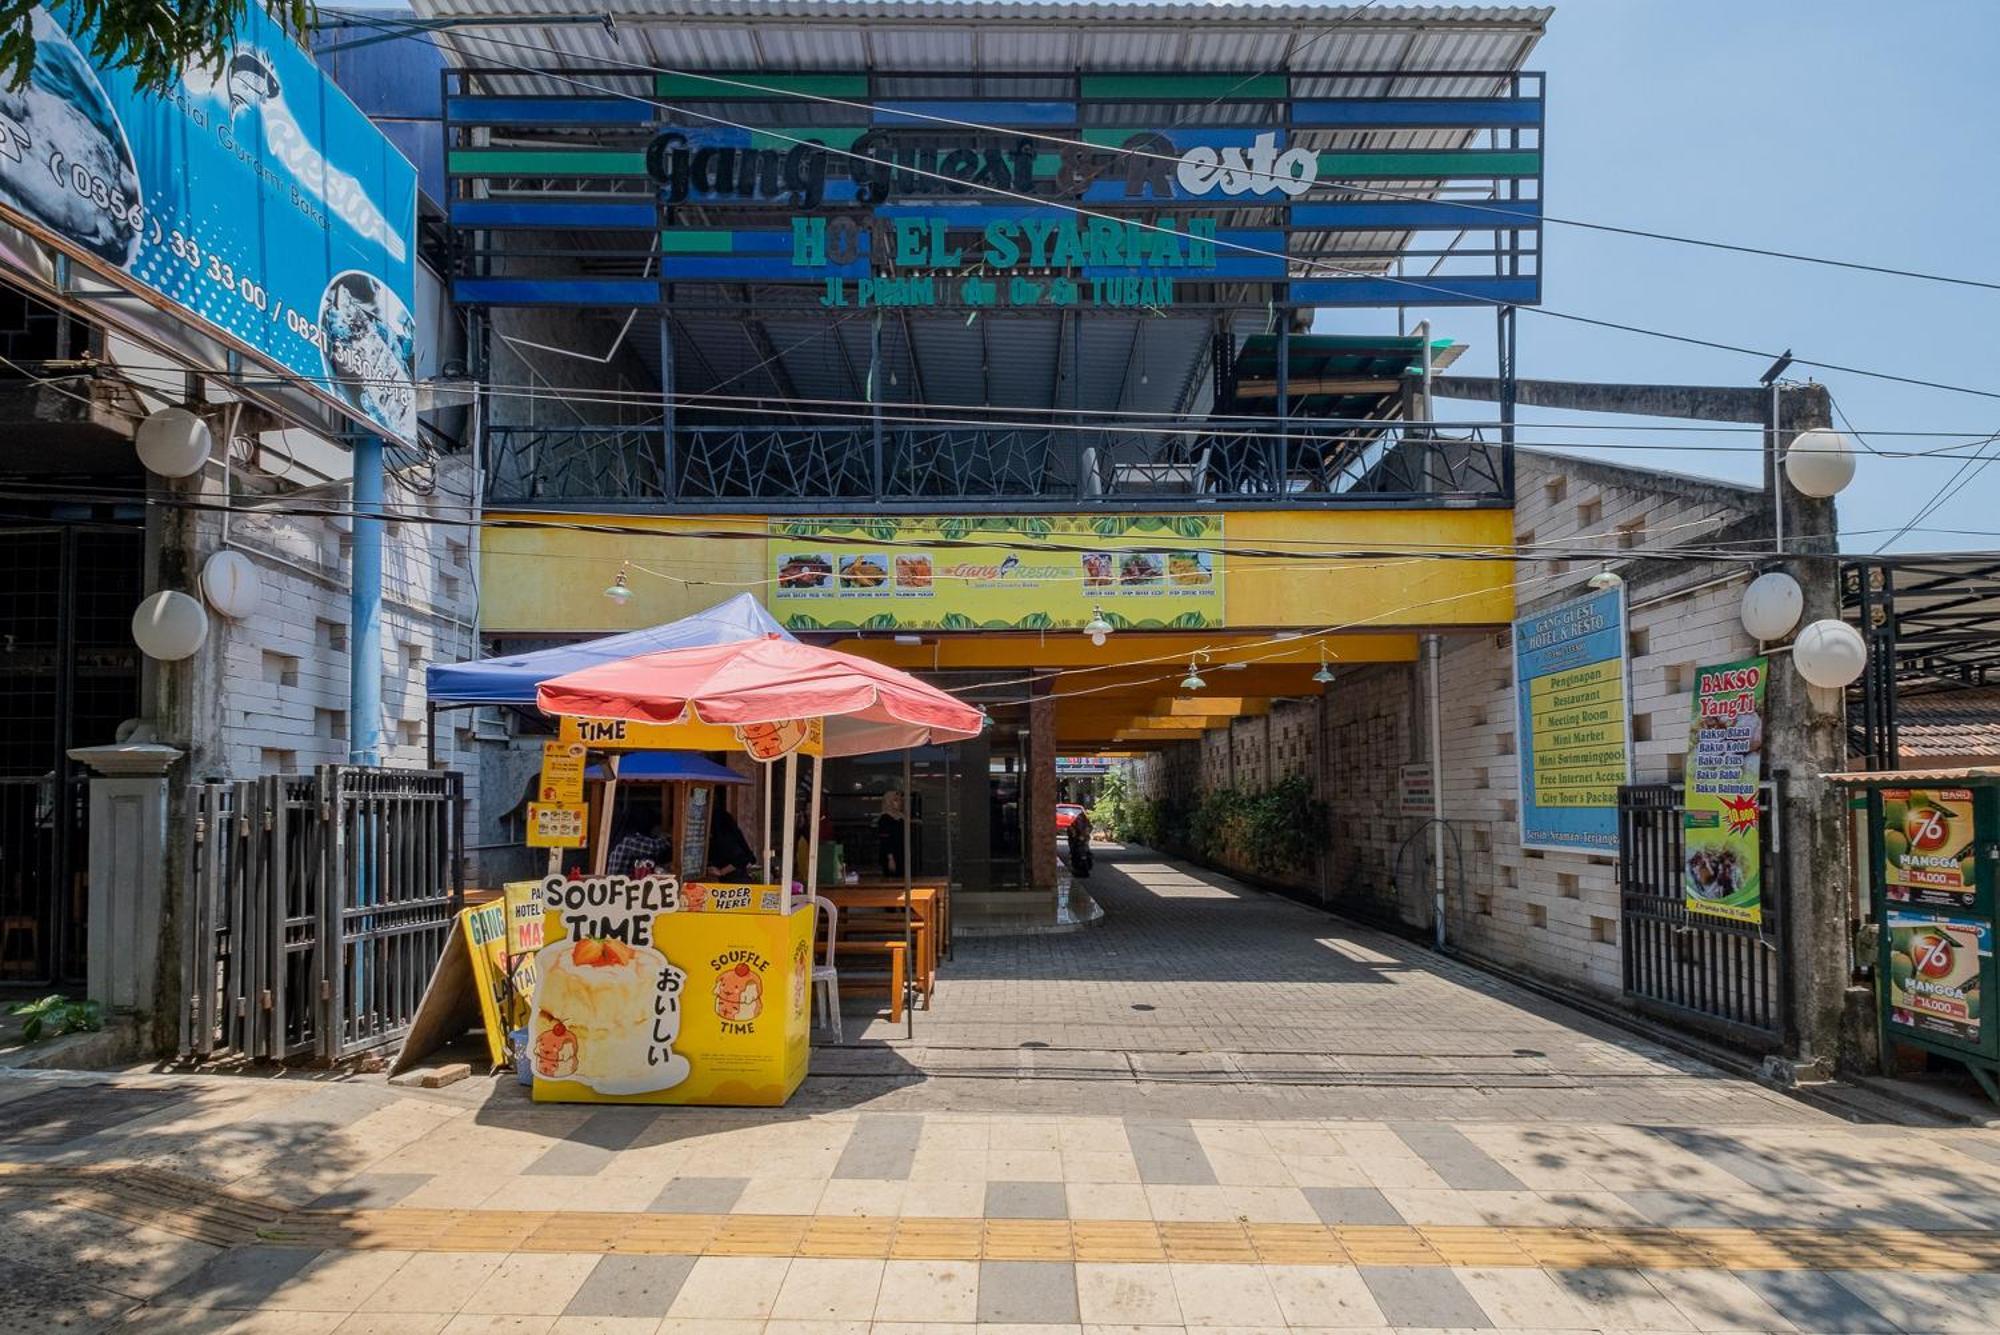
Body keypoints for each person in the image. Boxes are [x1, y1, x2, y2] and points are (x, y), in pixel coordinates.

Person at [706, 800, 756, 882]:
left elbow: (742, 858)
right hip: (735, 880)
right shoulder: (730, 832)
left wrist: (721, 872)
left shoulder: (725, 839)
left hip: (735, 882)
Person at [877, 787, 906, 877]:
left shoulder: (902, 817)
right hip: (892, 856)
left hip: (903, 854)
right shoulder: (885, 819)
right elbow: (885, 841)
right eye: (895, 800)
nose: (899, 803)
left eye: (900, 800)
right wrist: (890, 858)